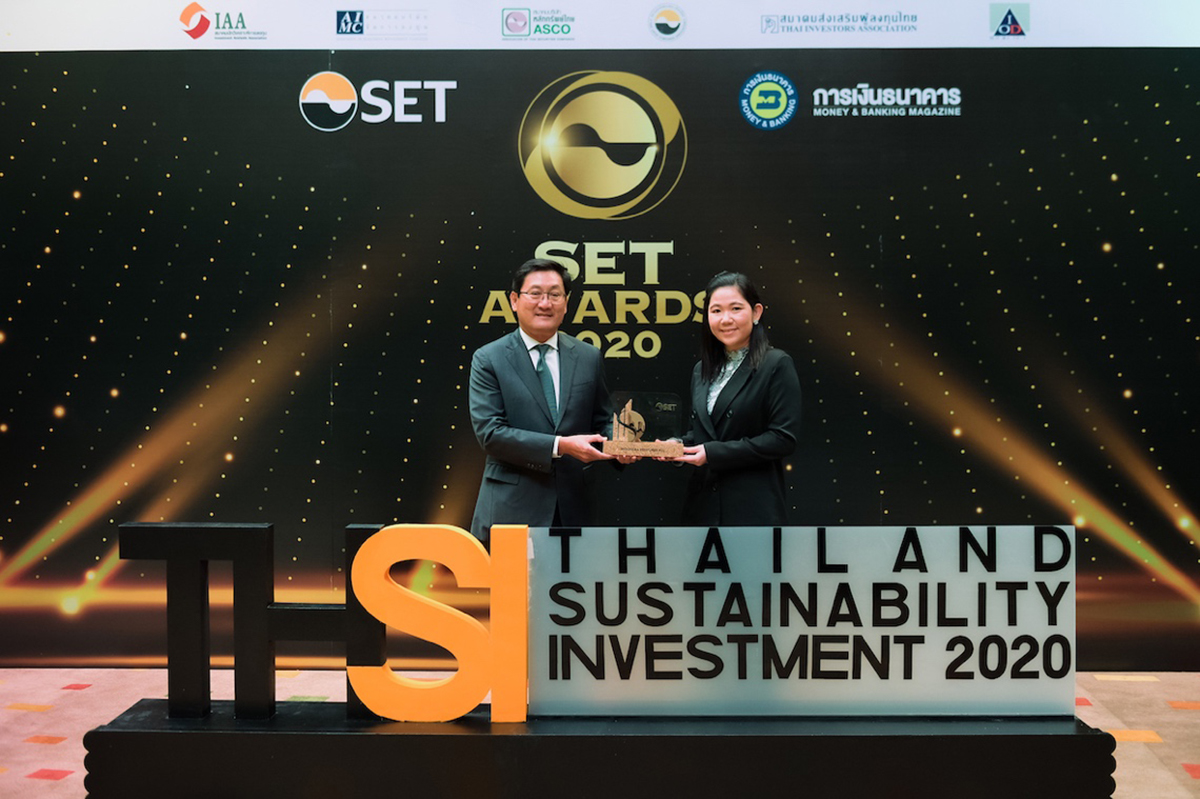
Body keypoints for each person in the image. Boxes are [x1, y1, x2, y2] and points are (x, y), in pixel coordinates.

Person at [469, 258, 618, 543]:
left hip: (575, 509)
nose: (545, 303)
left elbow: (602, 420)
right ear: (514, 300)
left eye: (555, 294)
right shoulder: (489, 359)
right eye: (535, 293)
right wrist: (561, 446)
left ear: (566, 302)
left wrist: (620, 445)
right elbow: (491, 433)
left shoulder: (588, 356)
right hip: (512, 510)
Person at [669, 271, 802, 525]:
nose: (726, 319)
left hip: (751, 509)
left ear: (756, 312)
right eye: (716, 311)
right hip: (702, 509)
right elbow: (702, 434)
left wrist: (712, 453)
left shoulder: (776, 364)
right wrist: (674, 446)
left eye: (736, 308)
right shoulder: (701, 370)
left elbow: (782, 439)